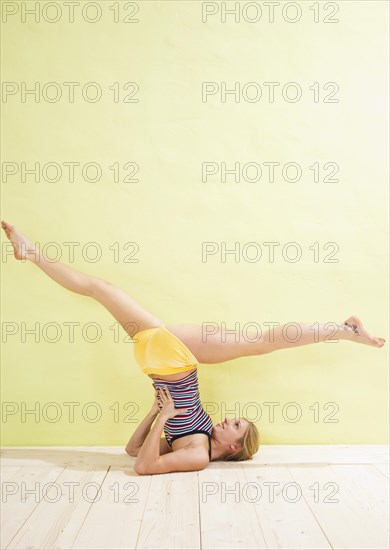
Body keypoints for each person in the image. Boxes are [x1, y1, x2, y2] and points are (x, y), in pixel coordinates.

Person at [1, 220, 385, 475]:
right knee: (102, 289)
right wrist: (155, 415)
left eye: (234, 426)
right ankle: (30, 253)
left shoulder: (199, 455)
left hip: (175, 360)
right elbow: (136, 451)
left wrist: (163, 418)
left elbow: (142, 466)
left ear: (234, 448)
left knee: (260, 342)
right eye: (234, 420)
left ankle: (343, 329)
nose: (227, 420)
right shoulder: (197, 442)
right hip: (163, 361)